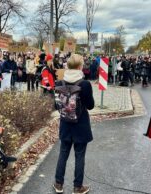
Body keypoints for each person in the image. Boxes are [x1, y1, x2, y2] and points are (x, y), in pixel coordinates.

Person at [53, 54, 94, 194]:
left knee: (63, 154)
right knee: (80, 156)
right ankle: (77, 187)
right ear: (79, 67)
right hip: (81, 125)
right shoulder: (85, 84)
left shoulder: (59, 83)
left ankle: (58, 184)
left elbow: (55, 105)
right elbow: (90, 106)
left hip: (65, 124)